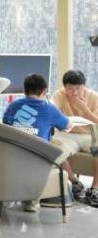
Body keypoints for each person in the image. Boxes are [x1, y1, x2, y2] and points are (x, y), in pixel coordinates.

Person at [2, 74, 75, 211]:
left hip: (12, 155)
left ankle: (26, 196)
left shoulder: (13, 106)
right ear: (44, 91)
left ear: (25, 90)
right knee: (64, 147)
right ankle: (33, 199)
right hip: (38, 158)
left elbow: (5, 126)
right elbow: (67, 125)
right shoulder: (49, 109)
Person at [49, 70, 98, 206]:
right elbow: (51, 114)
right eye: (70, 89)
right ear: (64, 87)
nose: (74, 92)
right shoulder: (59, 95)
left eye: (78, 88)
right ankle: (75, 183)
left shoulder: (94, 97)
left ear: (84, 86)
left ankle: (94, 189)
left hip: (89, 135)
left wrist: (85, 110)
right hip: (67, 134)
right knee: (53, 148)